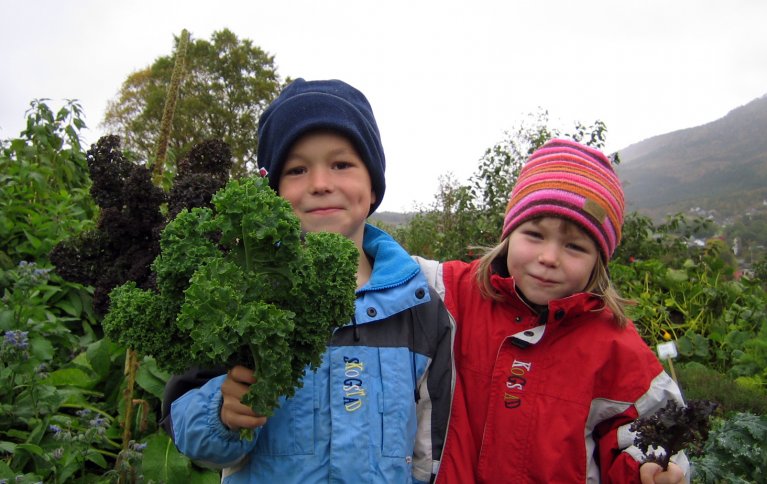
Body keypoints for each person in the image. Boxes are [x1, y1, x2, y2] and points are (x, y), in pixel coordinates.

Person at [160, 79, 453, 483]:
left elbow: (430, 448)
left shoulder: (418, 303)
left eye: (341, 164)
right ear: (274, 191)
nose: (319, 183)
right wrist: (221, 415)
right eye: (297, 169)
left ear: (373, 185)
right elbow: (185, 428)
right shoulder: (236, 292)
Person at [415, 139, 688, 483]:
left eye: (574, 245)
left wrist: (649, 469)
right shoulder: (452, 294)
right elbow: (379, 272)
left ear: (598, 263)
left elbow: (652, 436)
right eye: (534, 234)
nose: (549, 257)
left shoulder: (616, 348)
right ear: (510, 233)